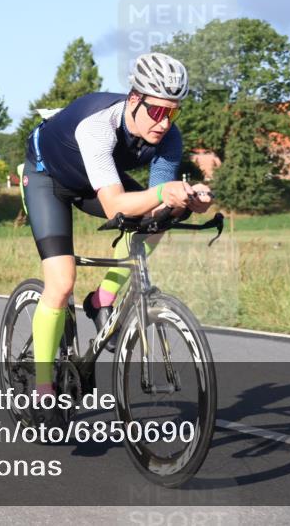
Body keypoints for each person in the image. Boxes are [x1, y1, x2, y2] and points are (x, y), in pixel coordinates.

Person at [19, 52, 212, 420]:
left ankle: (101, 299)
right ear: (134, 99)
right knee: (61, 282)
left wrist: (189, 200)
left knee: (158, 221)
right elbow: (115, 206)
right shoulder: (98, 126)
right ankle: (43, 391)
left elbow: (156, 206)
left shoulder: (168, 138)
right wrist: (164, 192)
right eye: (157, 111)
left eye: (173, 113)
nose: (164, 123)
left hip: (93, 181)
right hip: (47, 180)